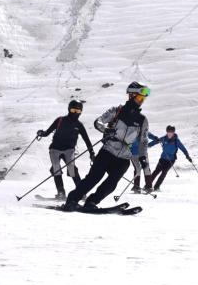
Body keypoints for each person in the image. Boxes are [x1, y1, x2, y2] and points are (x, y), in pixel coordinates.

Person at [62, 82, 150, 211]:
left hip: (124, 157)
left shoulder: (142, 120)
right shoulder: (117, 111)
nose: (141, 101)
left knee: (111, 185)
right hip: (108, 151)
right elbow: (98, 122)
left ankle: (92, 202)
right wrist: (106, 130)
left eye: (143, 99)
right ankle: (73, 199)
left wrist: (143, 157)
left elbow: (143, 141)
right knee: (93, 178)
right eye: (139, 98)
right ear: (131, 95)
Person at [37, 100, 95, 200]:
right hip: (55, 149)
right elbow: (47, 133)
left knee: (72, 170)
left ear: (81, 112)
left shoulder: (79, 125)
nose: (75, 113)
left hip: (69, 150)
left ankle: (81, 192)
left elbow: (87, 140)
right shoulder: (60, 120)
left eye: (77, 111)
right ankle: (61, 193)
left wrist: (92, 153)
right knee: (56, 169)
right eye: (73, 110)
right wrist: (41, 133)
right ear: (69, 109)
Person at [145, 125, 191, 192]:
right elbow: (155, 142)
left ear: (173, 132)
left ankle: (156, 187)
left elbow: (182, 148)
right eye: (168, 132)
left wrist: (187, 155)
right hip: (163, 158)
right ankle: (147, 186)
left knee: (164, 172)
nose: (169, 133)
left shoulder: (176, 141)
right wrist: (148, 145)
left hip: (171, 160)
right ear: (166, 132)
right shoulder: (164, 138)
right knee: (156, 172)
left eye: (171, 132)